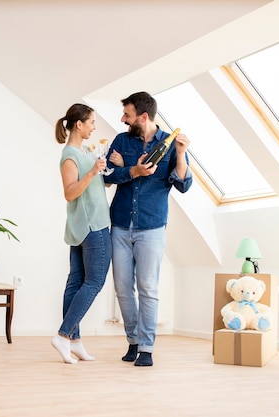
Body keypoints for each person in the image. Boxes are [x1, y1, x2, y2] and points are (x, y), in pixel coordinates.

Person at [103, 91, 192, 367]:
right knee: (121, 288)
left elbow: (183, 184)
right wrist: (132, 170)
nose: (122, 119)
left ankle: (147, 348)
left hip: (151, 226)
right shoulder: (121, 140)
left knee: (148, 288)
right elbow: (107, 174)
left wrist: (181, 154)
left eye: (127, 115)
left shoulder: (170, 144)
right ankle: (133, 340)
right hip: (119, 223)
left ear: (143, 117)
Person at [51, 103, 112, 364]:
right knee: (94, 281)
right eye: (91, 122)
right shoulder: (70, 156)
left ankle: (73, 341)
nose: (94, 127)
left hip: (85, 226)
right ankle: (64, 336)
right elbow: (70, 193)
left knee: (76, 283)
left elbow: (96, 185)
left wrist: (104, 171)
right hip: (91, 226)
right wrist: (92, 171)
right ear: (79, 124)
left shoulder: (85, 151)